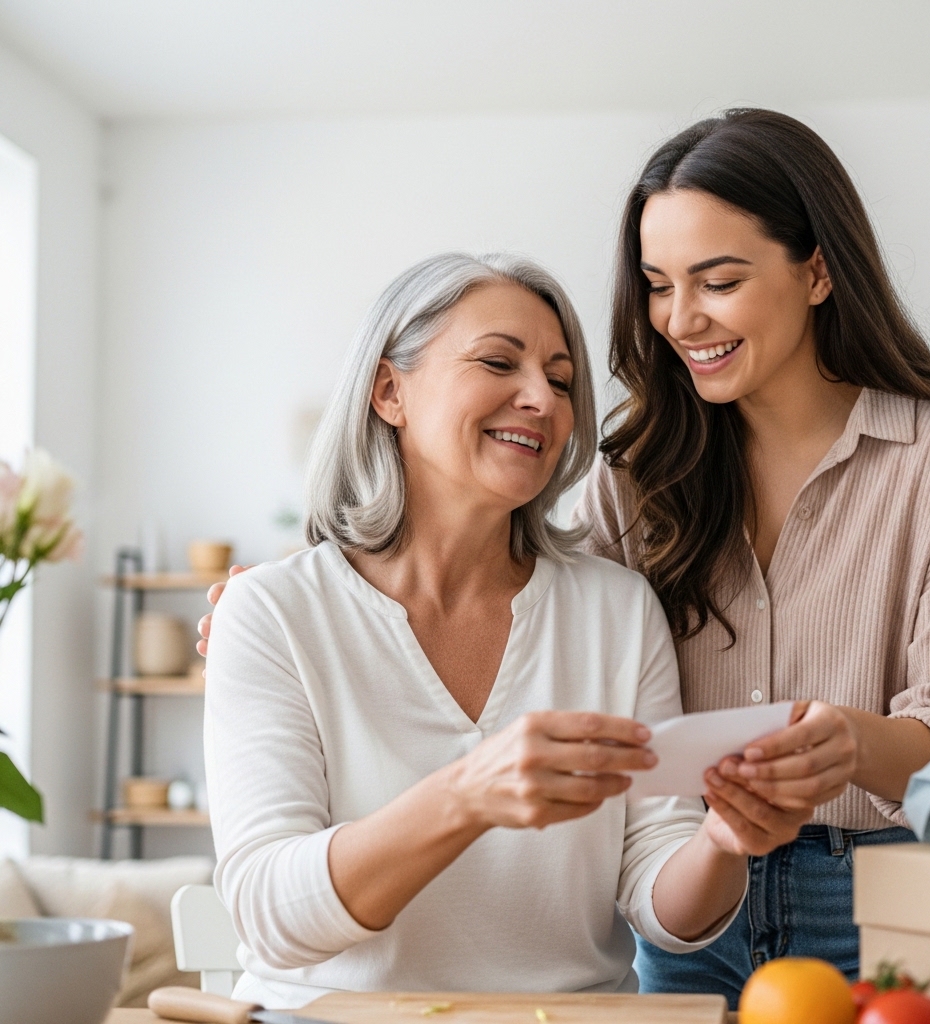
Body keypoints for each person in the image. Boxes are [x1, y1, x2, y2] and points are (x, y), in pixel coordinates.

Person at [201, 251, 810, 1008]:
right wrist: (467, 795)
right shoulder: (272, 613)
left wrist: (722, 841)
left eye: (561, 381)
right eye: (498, 362)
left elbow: (659, 894)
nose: (542, 400)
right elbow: (269, 913)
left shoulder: (613, 610)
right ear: (390, 390)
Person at [574, 108, 930, 1005]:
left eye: (719, 280)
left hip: (886, 894)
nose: (680, 318)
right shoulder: (636, 472)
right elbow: (531, 604)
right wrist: (318, 586)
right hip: (688, 892)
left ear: (817, 269)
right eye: (658, 285)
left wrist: (850, 743)